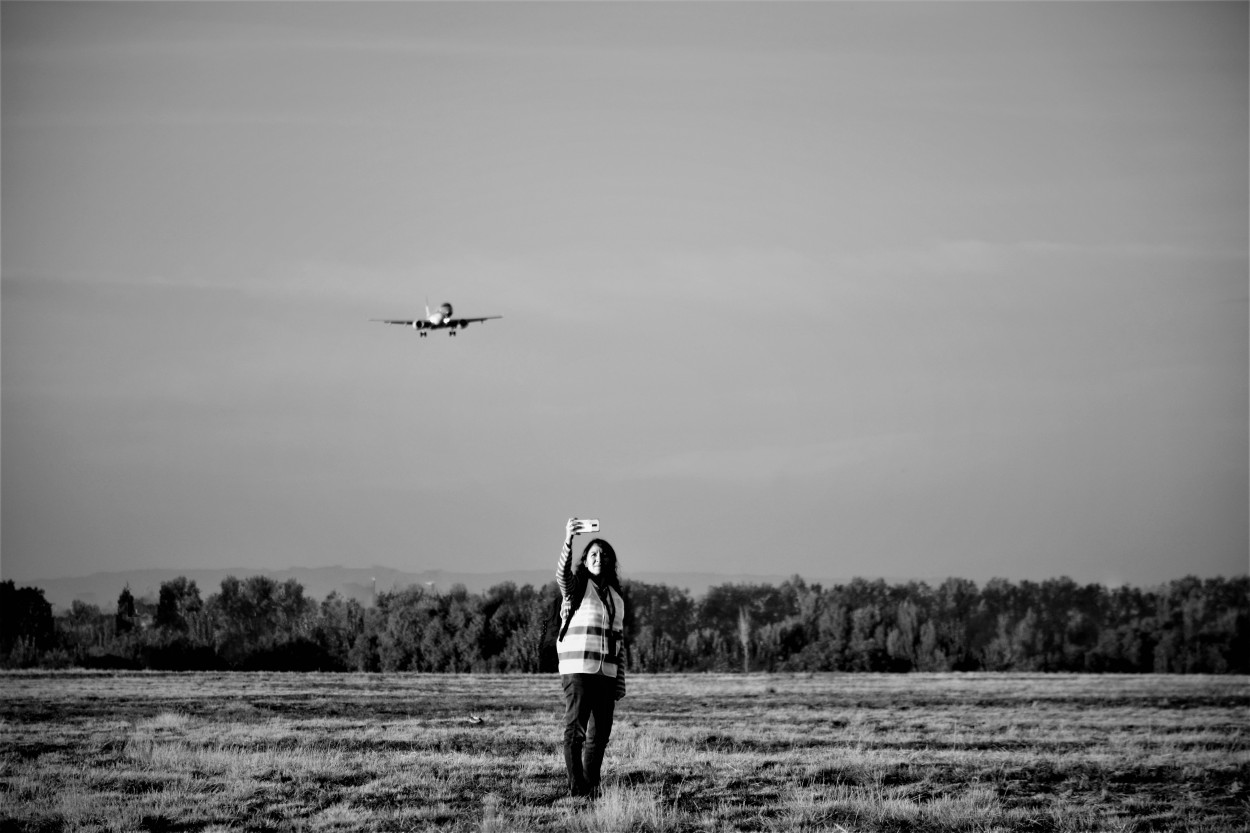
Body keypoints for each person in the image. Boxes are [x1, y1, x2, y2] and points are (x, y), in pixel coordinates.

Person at [555, 518, 627, 799]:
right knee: (576, 730)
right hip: (578, 670)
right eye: (593, 554)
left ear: (610, 562)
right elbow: (562, 574)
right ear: (585, 561)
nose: (599, 558)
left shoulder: (616, 598)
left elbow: (620, 644)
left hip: (606, 675)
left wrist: (620, 683)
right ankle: (576, 787)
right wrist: (568, 540)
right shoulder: (576, 589)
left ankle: (591, 785)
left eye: (603, 555)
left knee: (600, 734)